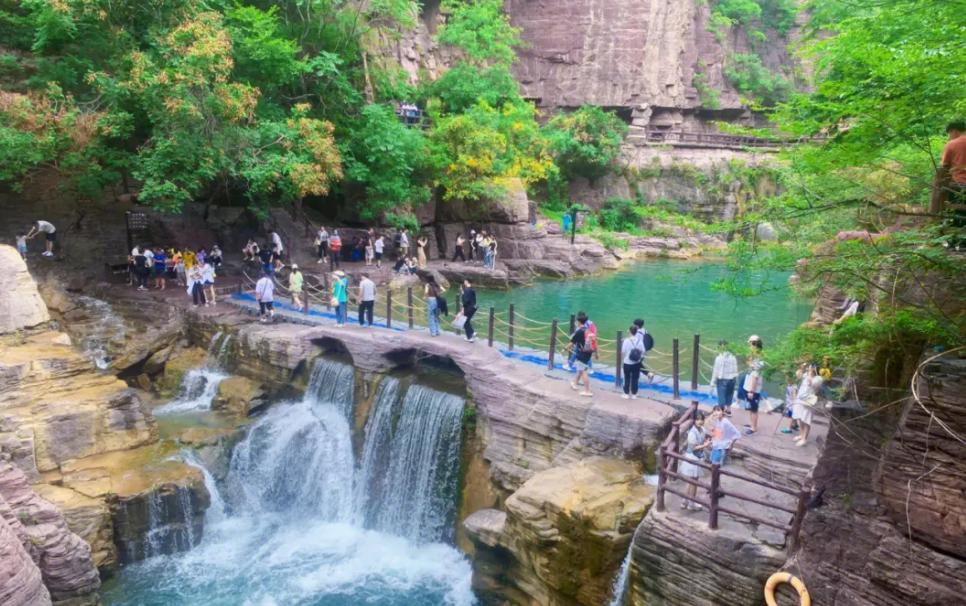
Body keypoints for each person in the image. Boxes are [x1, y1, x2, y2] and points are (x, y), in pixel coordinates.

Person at [678, 413, 711, 510]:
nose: (700, 421)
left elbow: (703, 439)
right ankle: (691, 503)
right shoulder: (692, 433)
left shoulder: (702, 430)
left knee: (691, 481)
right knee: (693, 481)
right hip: (692, 458)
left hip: (697, 457)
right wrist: (705, 445)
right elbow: (693, 448)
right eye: (698, 419)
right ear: (694, 421)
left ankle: (685, 501)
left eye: (701, 419)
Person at [793, 363, 823, 447]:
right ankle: (801, 435)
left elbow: (811, 383)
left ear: (815, 369)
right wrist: (801, 367)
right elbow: (798, 375)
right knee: (800, 418)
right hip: (800, 399)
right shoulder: (806, 374)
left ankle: (804, 439)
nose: (809, 369)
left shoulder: (818, 378)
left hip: (808, 402)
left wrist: (809, 373)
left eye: (810, 368)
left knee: (806, 420)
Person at [567, 314, 594, 397]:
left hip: (581, 353)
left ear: (578, 322)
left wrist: (565, 348)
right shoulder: (588, 330)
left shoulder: (579, 331)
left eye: (576, 321)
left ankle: (588, 391)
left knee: (583, 372)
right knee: (580, 369)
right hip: (588, 353)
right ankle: (575, 383)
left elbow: (572, 343)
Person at [710, 341, 738, 408]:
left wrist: (712, 383)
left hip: (722, 379)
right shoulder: (733, 357)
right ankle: (728, 410)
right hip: (732, 379)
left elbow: (716, 371)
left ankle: (721, 411)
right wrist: (736, 380)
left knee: (721, 396)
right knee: (729, 395)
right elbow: (735, 369)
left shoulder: (719, 358)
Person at [742, 349, 764, 435]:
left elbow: (755, 379)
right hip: (749, 390)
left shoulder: (756, 369)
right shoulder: (752, 368)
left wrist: (751, 391)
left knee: (754, 409)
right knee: (751, 408)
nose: (748, 360)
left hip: (752, 392)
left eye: (750, 358)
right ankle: (752, 424)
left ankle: (753, 428)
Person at [621, 324, 646, 399]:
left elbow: (623, 351)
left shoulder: (626, 341)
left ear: (629, 331)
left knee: (627, 377)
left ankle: (626, 394)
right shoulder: (639, 341)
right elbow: (643, 351)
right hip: (636, 363)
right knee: (635, 378)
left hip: (627, 362)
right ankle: (634, 394)